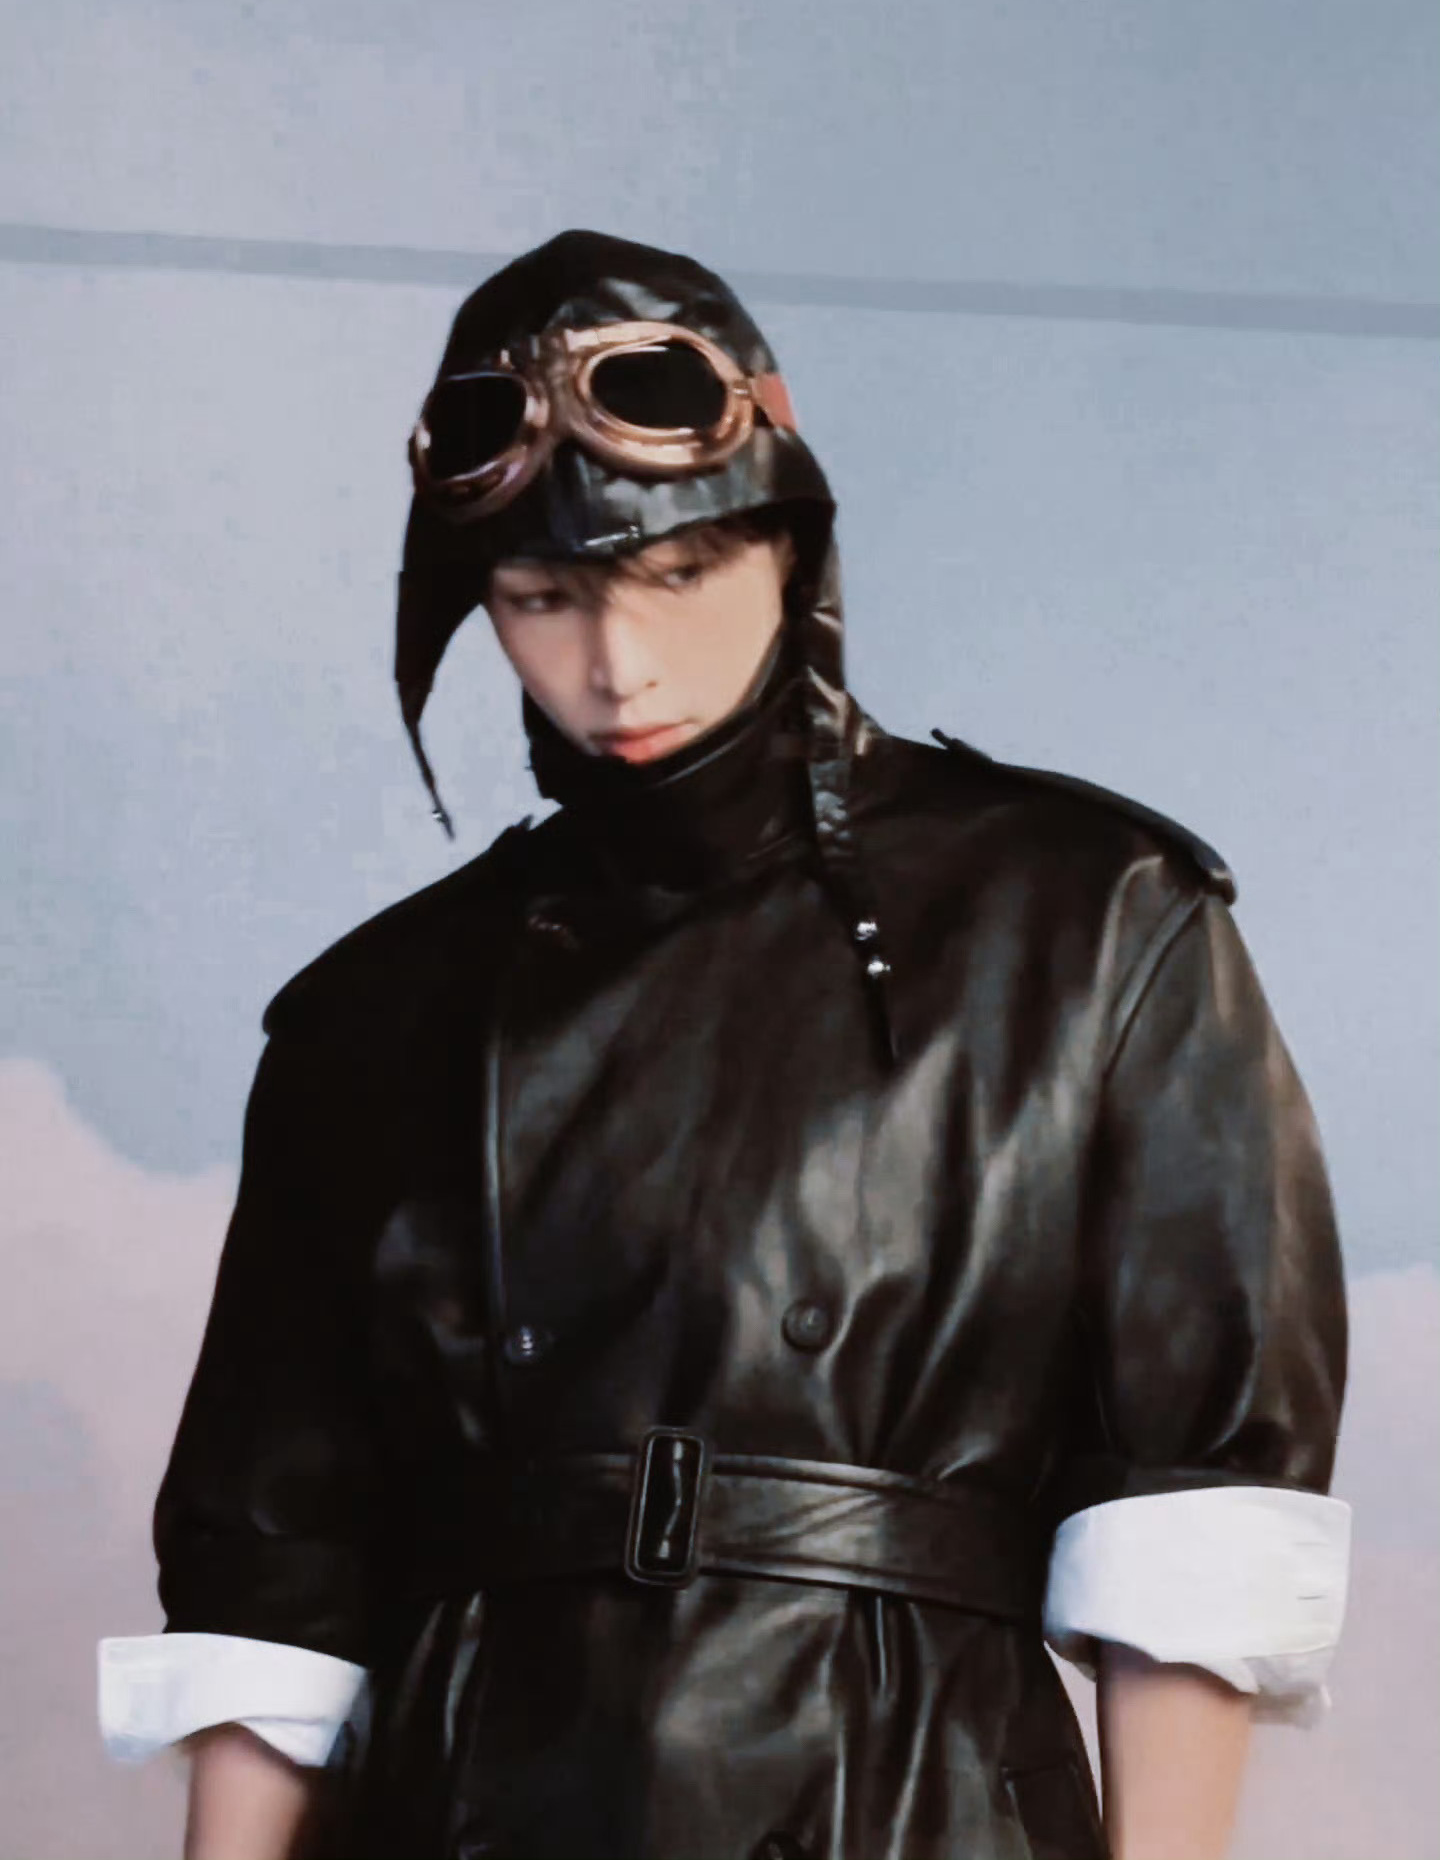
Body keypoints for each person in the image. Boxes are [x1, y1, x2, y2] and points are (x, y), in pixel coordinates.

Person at [99, 229, 1350, 1860]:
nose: (616, 665)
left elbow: (1194, 1513)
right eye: (541, 599)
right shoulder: (371, 1012)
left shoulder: (1089, 917)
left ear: (785, 540)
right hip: (463, 1800)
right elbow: (276, 1570)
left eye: (677, 575)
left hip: (907, 1795)